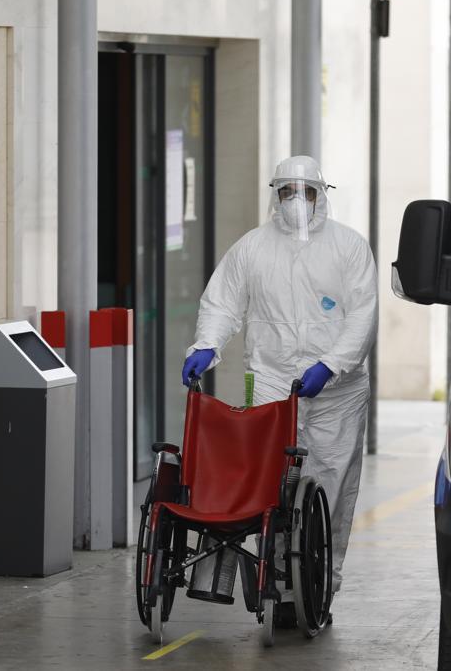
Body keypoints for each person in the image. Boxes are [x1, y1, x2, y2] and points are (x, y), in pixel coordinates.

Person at [181, 155, 378, 621]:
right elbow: (223, 301)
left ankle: (318, 587)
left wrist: (330, 365)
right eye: (286, 192)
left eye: (305, 192)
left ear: (321, 195)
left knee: (330, 488)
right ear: (275, 195)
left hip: (337, 393)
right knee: (269, 484)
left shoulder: (349, 248)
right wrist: (207, 344)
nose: (296, 201)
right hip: (270, 381)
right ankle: (280, 584)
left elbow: (363, 316)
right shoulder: (252, 248)